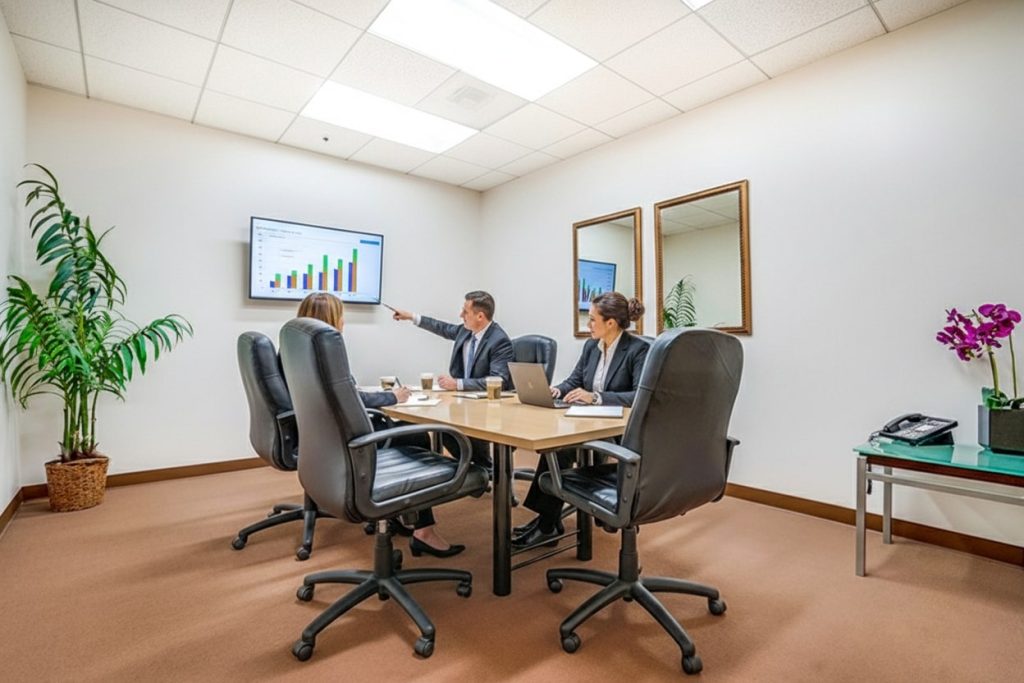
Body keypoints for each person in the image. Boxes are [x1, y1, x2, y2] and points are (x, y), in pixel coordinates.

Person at [295, 293, 465, 558]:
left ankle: (399, 514)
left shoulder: (298, 348)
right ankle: (423, 530)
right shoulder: (329, 348)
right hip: (349, 440)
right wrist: (392, 397)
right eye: (341, 314)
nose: (344, 320)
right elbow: (350, 398)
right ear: (332, 319)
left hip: (324, 437)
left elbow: (341, 394)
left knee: (404, 430)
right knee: (416, 438)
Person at [513, 292, 649, 549]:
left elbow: (638, 395)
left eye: (592, 320)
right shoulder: (591, 347)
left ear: (611, 323)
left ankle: (546, 524)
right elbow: (575, 380)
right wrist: (557, 390)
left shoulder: (638, 349)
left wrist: (596, 397)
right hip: (587, 423)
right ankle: (547, 520)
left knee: (561, 449)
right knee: (557, 445)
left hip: (617, 430)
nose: (588, 325)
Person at [390, 290, 514, 468]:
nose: (461, 315)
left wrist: (458, 383)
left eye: (465, 312)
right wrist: (411, 317)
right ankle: (476, 467)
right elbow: (442, 327)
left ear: (480, 316)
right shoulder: (466, 331)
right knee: (444, 427)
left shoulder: (499, 340)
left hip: (486, 406)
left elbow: (498, 380)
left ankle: (482, 467)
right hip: (463, 400)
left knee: (451, 428)